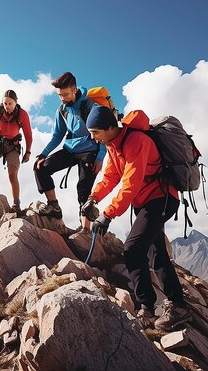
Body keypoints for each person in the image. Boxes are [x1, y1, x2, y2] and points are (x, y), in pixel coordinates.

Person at [83, 105, 191, 331]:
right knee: (155, 251)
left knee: (133, 248)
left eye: (95, 133)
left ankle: (147, 308)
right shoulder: (114, 145)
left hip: (161, 198)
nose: (93, 139)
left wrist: (108, 214)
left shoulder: (136, 142)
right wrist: (93, 198)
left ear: (110, 128)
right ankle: (175, 307)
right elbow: (111, 176)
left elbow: (130, 184)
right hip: (147, 202)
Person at [33, 72, 105, 230]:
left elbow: (103, 134)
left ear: (74, 89)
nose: (62, 98)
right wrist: (43, 154)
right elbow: (57, 135)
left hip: (90, 151)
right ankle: (54, 207)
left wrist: (100, 158)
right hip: (70, 149)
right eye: (59, 95)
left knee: (83, 190)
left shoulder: (91, 106)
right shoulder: (62, 110)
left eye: (65, 94)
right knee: (40, 168)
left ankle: (85, 230)